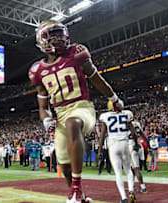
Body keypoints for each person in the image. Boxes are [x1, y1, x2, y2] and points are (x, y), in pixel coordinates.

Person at [29, 19, 124, 203]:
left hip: (82, 107)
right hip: (60, 113)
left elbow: (96, 78)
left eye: (60, 33)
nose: (59, 37)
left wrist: (113, 98)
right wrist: (46, 119)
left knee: (73, 123)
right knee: (63, 164)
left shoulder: (76, 53)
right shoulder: (37, 70)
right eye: (53, 34)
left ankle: (76, 189)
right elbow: (43, 106)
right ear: (42, 40)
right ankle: (80, 197)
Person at [99, 105, 137, 203]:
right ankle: (131, 191)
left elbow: (102, 135)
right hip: (125, 143)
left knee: (118, 173)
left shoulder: (105, 116)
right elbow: (133, 133)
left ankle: (124, 198)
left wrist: (100, 150)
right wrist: (136, 144)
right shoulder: (126, 114)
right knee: (128, 170)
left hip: (113, 145)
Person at [129, 120, 149, 193]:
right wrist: (148, 145)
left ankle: (143, 188)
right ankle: (132, 184)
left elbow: (133, 135)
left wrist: (135, 144)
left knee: (136, 169)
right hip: (140, 147)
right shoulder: (136, 123)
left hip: (132, 146)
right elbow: (142, 134)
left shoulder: (125, 124)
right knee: (133, 168)